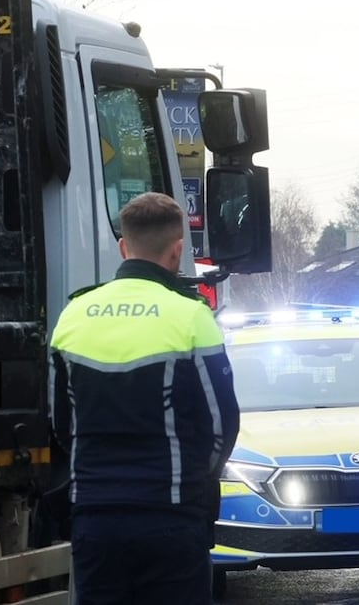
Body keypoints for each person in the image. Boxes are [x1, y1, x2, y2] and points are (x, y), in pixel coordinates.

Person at [49, 192, 240, 604]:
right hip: (171, 517)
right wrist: (193, 480)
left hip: (95, 518)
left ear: (123, 246)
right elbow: (222, 427)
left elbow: (61, 425)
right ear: (177, 251)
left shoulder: (74, 315)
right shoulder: (191, 317)